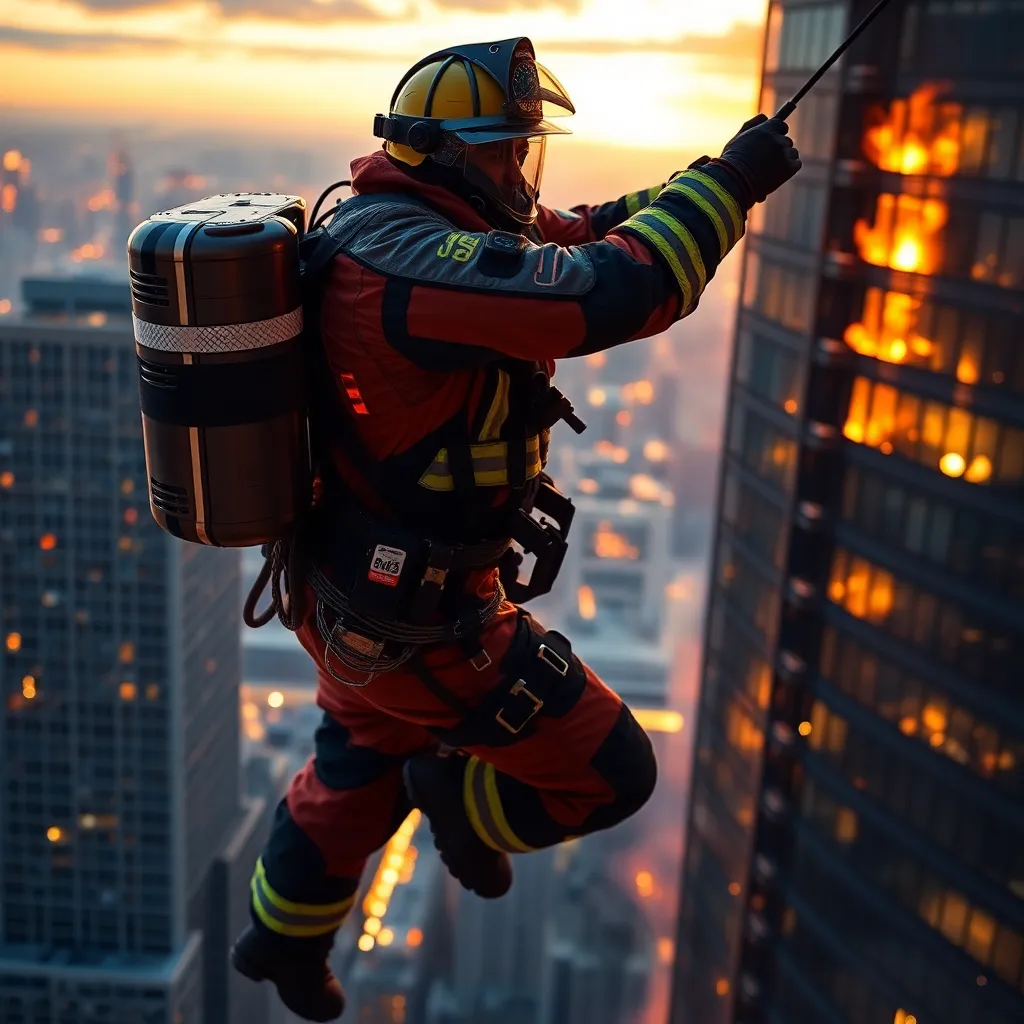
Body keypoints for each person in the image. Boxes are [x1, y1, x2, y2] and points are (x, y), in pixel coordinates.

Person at [231, 36, 800, 1022]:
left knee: (351, 768)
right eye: (502, 154)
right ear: (447, 155)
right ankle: (455, 796)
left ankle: (279, 940)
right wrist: (731, 185)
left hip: (359, 600)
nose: (519, 174)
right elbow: (609, 290)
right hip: (422, 622)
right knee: (612, 769)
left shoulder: (416, 226)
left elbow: (578, 236)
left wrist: (707, 181)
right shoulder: (413, 266)